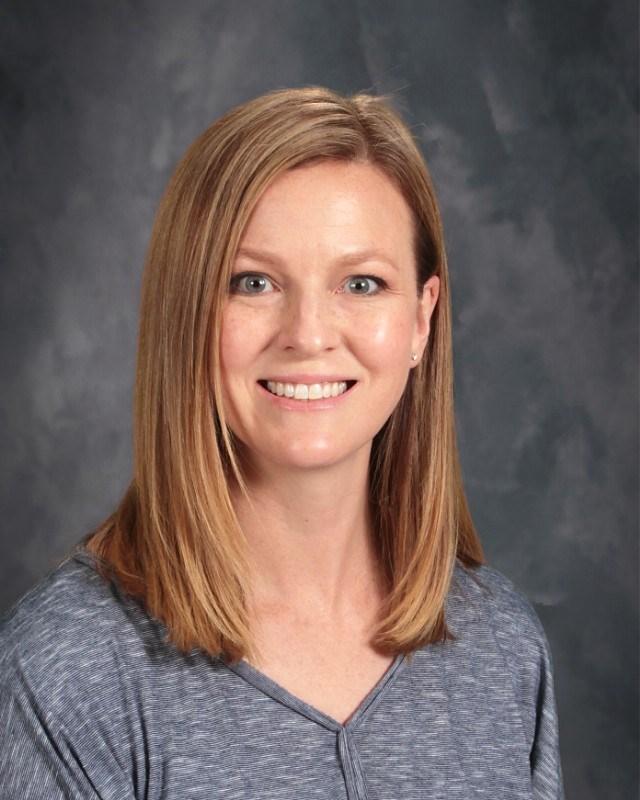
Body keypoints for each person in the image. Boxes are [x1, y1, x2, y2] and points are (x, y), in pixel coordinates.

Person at [0, 86, 566, 798]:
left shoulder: (502, 647)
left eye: (362, 284)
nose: (308, 333)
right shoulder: (67, 672)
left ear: (422, 320)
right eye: (254, 282)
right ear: (186, 315)